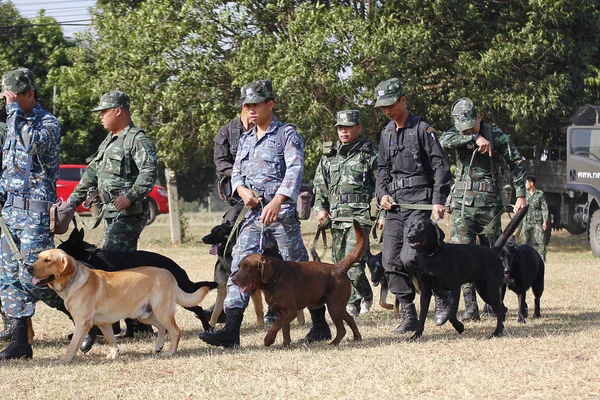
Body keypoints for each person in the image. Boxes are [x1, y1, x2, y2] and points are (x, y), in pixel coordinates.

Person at [198, 79, 309, 348]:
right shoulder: (246, 138)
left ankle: (319, 325)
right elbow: (236, 171)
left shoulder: (286, 134)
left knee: (298, 266)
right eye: (247, 105)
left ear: (270, 104)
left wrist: (278, 201)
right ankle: (231, 331)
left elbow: (295, 170)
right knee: (240, 264)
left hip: (280, 214)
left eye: (256, 104)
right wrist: (241, 189)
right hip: (251, 214)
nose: (250, 110)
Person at [65, 90, 158, 351]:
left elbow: (149, 172)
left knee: (114, 263)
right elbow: (91, 174)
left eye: (104, 112)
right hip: (108, 213)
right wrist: (71, 202)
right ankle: (133, 322)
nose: (101, 117)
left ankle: (124, 321)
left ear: (118, 110)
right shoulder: (108, 141)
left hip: (127, 215)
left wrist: (130, 196)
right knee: (118, 265)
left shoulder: (136, 140)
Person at [374, 78, 451, 334]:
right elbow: (382, 169)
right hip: (395, 206)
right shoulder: (386, 133)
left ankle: (441, 294)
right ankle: (409, 314)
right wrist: (381, 194)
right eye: (383, 107)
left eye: (391, 105)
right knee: (390, 261)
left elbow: (441, 165)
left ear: (403, 100)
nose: (387, 111)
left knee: (410, 257)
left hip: (420, 203)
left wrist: (439, 199)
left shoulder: (423, 129)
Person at [439, 97, 527, 321]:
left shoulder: (497, 135)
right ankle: (470, 307)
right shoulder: (457, 135)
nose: (467, 129)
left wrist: (521, 195)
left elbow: (517, 163)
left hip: (489, 206)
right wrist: (473, 137)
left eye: (471, 125)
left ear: (479, 117)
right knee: (461, 257)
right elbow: (443, 140)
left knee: (492, 256)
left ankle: (493, 302)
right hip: (461, 206)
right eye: (463, 127)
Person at [0, 68, 65, 360]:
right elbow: (9, 166)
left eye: (13, 97)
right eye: (6, 97)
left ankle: (84, 317)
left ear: (30, 94)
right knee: (9, 277)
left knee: (34, 277)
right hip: (11, 212)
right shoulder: (13, 124)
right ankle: (19, 342)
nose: (8, 102)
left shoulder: (47, 122)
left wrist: (13, 112)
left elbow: (30, 145)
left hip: (35, 215)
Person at [313, 110, 377, 317]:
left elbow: (383, 185)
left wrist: (382, 215)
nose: (344, 131)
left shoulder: (369, 154)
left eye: (348, 127)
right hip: (336, 217)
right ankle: (365, 294)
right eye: (340, 128)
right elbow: (319, 185)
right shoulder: (329, 156)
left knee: (355, 262)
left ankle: (354, 301)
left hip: (360, 216)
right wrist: (320, 209)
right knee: (339, 263)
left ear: (358, 128)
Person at [521, 175, 548, 262]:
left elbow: (544, 208)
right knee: (524, 240)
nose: (525, 184)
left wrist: (545, 221)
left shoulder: (540, 194)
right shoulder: (524, 194)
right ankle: (524, 257)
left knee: (540, 239)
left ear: (531, 183)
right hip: (526, 220)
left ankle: (542, 257)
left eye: (526, 182)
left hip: (537, 221)